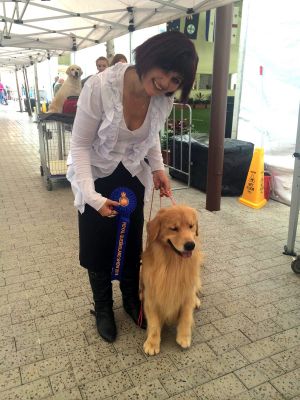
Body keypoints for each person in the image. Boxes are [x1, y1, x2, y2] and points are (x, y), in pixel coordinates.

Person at [67, 31, 198, 343]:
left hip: (132, 178)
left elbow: (150, 136)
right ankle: (102, 307)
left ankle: (130, 299)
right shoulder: (99, 87)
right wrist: (92, 196)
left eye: (176, 78)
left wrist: (158, 169)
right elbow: (80, 147)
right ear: (149, 57)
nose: (166, 83)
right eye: (164, 71)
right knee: (97, 243)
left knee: (130, 241)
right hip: (96, 175)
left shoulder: (162, 101)